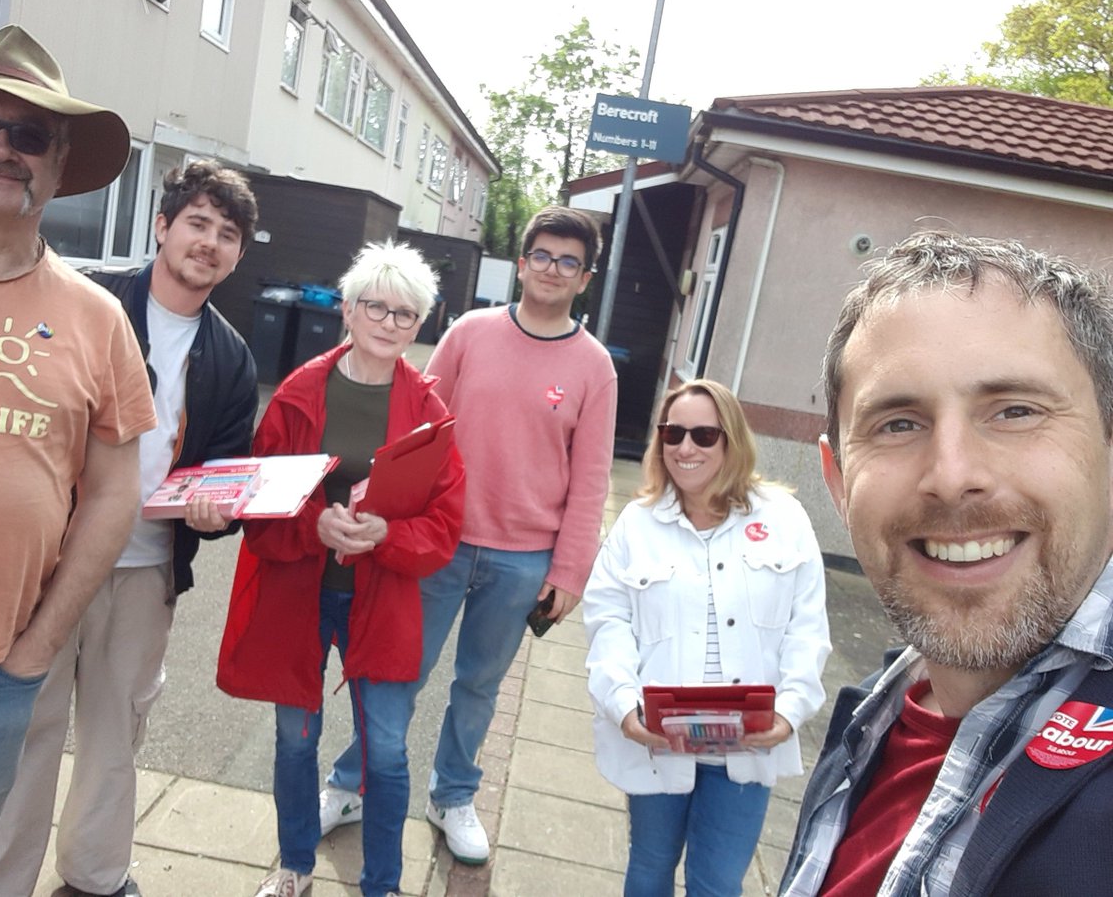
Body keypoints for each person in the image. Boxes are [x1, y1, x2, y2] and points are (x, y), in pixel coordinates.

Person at [781, 231, 1113, 896]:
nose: (952, 475)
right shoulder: (870, 722)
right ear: (840, 482)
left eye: (1016, 411)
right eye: (898, 424)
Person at [0, 25, 156, 897]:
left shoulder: (97, 317)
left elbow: (115, 493)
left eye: (29, 136)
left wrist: (37, 651)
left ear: (56, 167)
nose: (0, 148)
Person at [0, 160, 260, 897]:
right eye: (197, 223)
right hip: (52, 559)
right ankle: (0, 881)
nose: (209, 242)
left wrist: (217, 511)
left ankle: (96, 876)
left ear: (237, 255)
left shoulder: (231, 357)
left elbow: (227, 469)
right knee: (27, 728)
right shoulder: (90, 304)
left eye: (227, 234)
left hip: (145, 572)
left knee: (117, 733)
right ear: (163, 226)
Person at [321, 205, 618, 865]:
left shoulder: (595, 367)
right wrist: (385, 512)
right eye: (542, 255)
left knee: (479, 686)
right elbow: (415, 429)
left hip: (522, 559)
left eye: (568, 261)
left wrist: (570, 572)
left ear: (584, 278)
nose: (552, 269)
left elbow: (592, 478)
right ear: (521, 263)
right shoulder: (471, 334)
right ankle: (352, 783)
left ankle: (451, 794)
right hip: (438, 543)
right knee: (398, 675)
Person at [217, 240, 465, 897]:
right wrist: (312, 525)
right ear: (348, 311)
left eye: (404, 315)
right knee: (296, 740)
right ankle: (294, 864)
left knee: (385, 749)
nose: (388, 323)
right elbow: (261, 500)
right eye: (375, 307)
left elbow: (445, 526)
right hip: (300, 595)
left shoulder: (431, 413)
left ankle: (381, 883)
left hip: (379, 603)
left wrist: (387, 533)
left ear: (421, 324)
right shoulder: (301, 393)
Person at [585, 379, 831, 896]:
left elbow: (807, 629)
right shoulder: (638, 524)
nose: (685, 448)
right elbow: (608, 621)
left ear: (731, 440)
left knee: (716, 885)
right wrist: (623, 706)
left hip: (745, 747)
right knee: (649, 872)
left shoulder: (784, 519)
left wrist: (790, 711)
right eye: (673, 434)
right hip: (658, 741)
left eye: (703, 434)